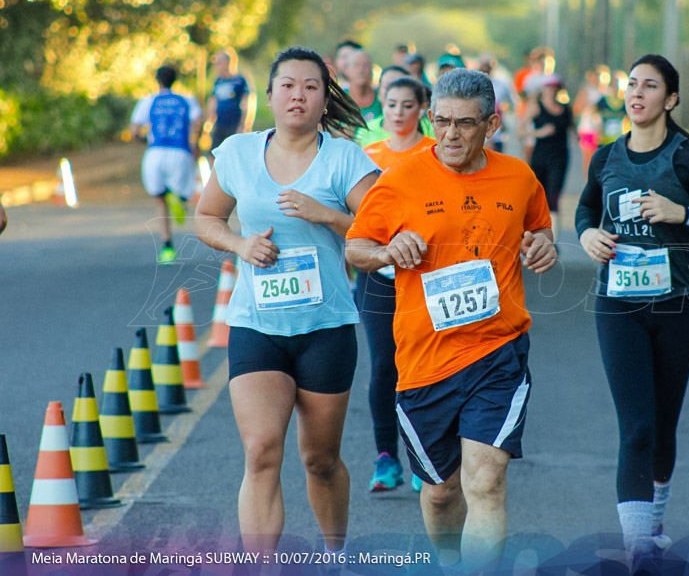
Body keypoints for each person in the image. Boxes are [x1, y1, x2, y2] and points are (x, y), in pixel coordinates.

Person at [345, 68, 557, 571]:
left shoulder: (519, 177)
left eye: (465, 123)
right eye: (441, 121)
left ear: (492, 124)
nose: (450, 135)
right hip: (425, 360)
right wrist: (387, 252)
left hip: (496, 351)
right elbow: (357, 246)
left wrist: (543, 245)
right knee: (440, 493)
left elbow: (539, 229)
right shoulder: (400, 181)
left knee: (484, 480)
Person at [194, 47, 378, 558]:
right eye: (289, 85)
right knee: (260, 453)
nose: (299, 94)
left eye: (311, 87)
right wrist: (240, 245)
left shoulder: (345, 158)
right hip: (257, 324)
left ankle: (334, 555)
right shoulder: (236, 152)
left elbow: (382, 232)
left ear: (325, 99)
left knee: (319, 460)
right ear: (270, 94)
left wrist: (328, 215)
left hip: (326, 326)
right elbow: (206, 218)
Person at [575, 54, 689, 565]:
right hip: (617, 306)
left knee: (664, 428)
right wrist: (586, 233)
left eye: (650, 86)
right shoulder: (606, 157)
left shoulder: (688, 157)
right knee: (638, 428)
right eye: (631, 84)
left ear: (670, 99)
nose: (637, 93)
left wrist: (685, 213)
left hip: (675, 308)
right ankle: (638, 549)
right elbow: (588, 205)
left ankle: (653, 521)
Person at [357, 76, 435, 493]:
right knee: (385, 365)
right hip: (377, 275)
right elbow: (353, 218)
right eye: (392, 104)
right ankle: (386, 457)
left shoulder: (436, 153)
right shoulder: (367, 156)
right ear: (381, 108)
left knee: (424, 365)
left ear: (423, 109)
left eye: (408, 105)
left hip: (427, 276)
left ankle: (427, 457)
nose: (399, 112)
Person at [130, 64, 204, 264]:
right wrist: (194, 141)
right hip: (180, 151)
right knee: (182, 191)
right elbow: (198, 120)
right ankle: (178, 198)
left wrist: (146, 142)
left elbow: (134, 130)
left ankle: (167, 247)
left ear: (157, 80)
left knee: (159, 199)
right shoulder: (187, 100)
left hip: (155, 152)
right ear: (175, 79)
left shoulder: (149, 100)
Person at [523, 73, 575, 239]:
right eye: (549, 87)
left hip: (559, 157)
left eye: (555, 88)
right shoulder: (536, 107)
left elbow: (574, 130)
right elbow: (520, 130)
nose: (551, 91)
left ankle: (552, 240)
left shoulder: (566, 109)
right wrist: (539, 132)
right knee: (537, 197)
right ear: (543, 89)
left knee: (554, 197)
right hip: (540, 157)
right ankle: (534, 235)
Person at [206, 48, 251, 152]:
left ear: (228, 62)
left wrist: (244, 124)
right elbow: (213, 102)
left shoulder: (240, 80)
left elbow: (246, 103)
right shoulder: (218, 81)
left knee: (233, 152)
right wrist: (209, 123)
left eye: (219, 62)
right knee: (214, 153)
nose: (216, 66)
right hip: (219, 124)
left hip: (234, 124)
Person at [347, 49, 388, 147]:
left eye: (365, 65)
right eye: (356, 65)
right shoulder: (337, 99)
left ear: (372, 69)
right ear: (347, 70)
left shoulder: (382, 98)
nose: (361, 70)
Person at [477, 54, 514, 153]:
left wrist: (503, 115)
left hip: (496, 131)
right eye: (483, 65)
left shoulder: (501, 85)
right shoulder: (472, 85)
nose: (485, 69)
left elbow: (511, 105)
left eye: (487, 66)